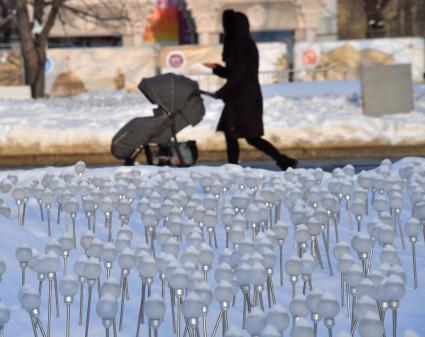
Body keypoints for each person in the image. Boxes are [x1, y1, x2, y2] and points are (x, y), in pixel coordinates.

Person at [205, 10, 297, 170]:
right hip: (242, 97)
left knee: (246, 136)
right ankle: (281, 160)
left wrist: (222, 92)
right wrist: (218, 69)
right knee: (238, 134)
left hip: (243, 99)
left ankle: (236, 166)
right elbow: (235, 73)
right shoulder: (242, 45)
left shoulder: (242, 47)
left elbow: (239, 76)